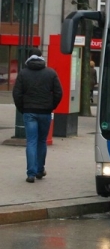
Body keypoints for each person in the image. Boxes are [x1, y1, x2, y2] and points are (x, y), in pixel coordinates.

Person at [12, 48, 63, 183]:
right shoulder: (51, 73)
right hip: (45, 112)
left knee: (31, 142)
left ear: (29, 58)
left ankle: (31, 174)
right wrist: (51, 106)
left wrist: (23, 108)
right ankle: (40, 169)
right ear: (41, 57)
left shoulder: (23, 73)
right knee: (41, 141)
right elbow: (59, 93)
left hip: (29, 112)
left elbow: (16, 94)